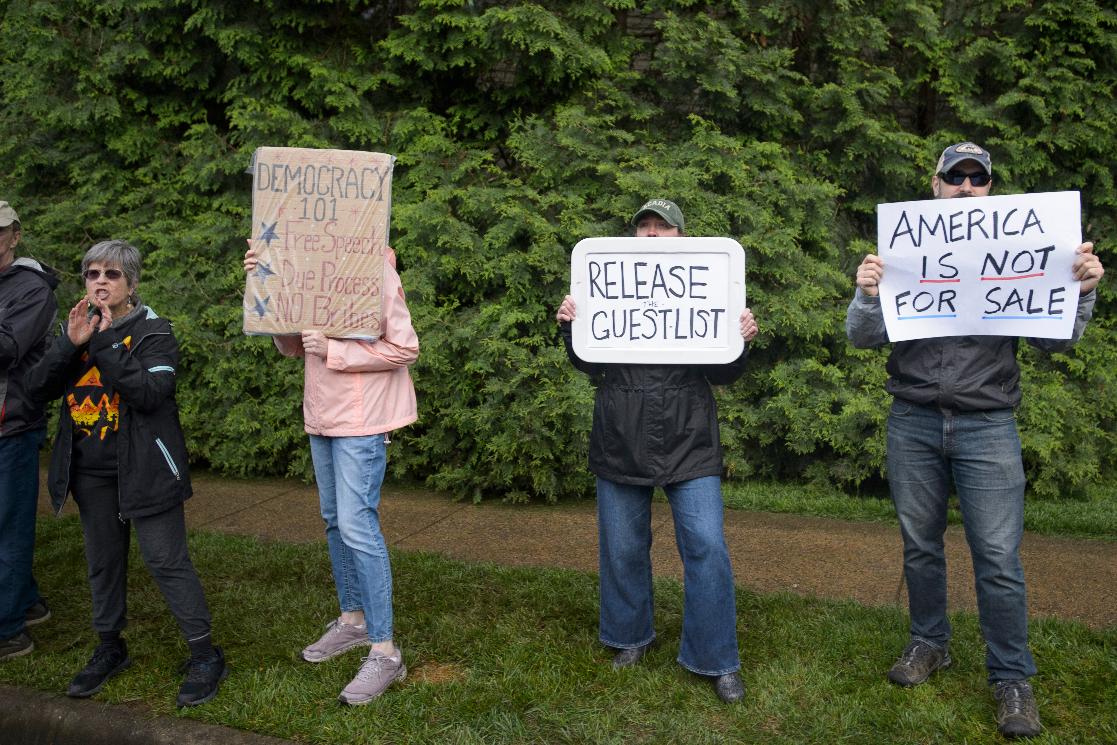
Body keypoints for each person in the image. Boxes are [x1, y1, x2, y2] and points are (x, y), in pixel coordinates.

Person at [845, 142, 1104, 739]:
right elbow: (861, 337)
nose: (965, 188)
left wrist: (1083, 292)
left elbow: (1057, 342)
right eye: (954, 178)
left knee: (998, 557)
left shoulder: (1022, 250)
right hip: (912, 419)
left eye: (976, 179)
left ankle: (1012, 677)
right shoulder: (903, 250)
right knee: (920, 546)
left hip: (988, 425)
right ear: (934, 185)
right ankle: (928, 643)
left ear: (989, 190)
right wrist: (864, 294)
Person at [555, 199, 759, 704]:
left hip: (689, 436)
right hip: (620, 433)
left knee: (707, 545)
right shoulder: (606, 282)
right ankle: (628, 636)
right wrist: (570, 326)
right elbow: (587, 362)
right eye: (642, 227)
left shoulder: (709, 285)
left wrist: (742, 338)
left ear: (682, 239)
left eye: (661, 228)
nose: (650, 235)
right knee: (622, 547)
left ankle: (715, 658)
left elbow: (726, 372)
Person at [28, 239, 227, 707]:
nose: (100, 281)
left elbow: (150, 392)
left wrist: (101, 340)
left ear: (131, 284)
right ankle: (109, 647)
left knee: (165, 561)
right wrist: (68, 345)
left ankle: (204, 654)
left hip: (147, 469)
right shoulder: (76, 326)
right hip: (91, 472)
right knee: (103, 562)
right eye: (92, 274)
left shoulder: (155, 330)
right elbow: (37, 388)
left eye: (111, 274)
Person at [243, 241, 419, 705]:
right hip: (322, 416)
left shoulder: (375, 272)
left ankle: (385, 651)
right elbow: (290, 348)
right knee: (335, 520)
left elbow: (405, 348)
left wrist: (337, 350)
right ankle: (354, 622)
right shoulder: (307, 273)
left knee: (358, 525)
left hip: (363, 422)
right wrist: (268, 281)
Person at [0, 201, 58, 662]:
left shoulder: (32, 290)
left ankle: (8, 631)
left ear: (15, 236)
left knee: (8, 527)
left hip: (12, 426)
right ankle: (27, 602)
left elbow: (6, 349)